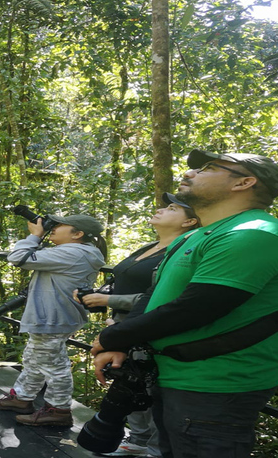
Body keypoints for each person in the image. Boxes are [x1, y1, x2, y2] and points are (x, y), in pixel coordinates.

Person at [91, 150, 278, 458]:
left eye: (208, 168)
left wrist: (112, 336)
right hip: (171, 373)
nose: (190, 173)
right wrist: (122, 342)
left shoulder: (255, 232)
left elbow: (198, 307)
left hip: (216, 384)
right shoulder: (194, 236)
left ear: (244, 183)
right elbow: (156, 294)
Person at [76, 193, 199, 458]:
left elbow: (165, 296)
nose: (161, 209)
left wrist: (109, 299)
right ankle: (139, 440)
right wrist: (108, 308)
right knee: (129, 385)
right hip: (123, 325)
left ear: (189, 222)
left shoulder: (183, 250)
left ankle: (155, 449)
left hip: (149, 328)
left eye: (172, 208)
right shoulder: (150, 246)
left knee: (151, 389)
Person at [0, 213, 107, 426]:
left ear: (78, 234)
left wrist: (35, 236)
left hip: (53, 316)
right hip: (52, 315)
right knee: (34, 358)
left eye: (60, 225)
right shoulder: (74, 251)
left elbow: (18, 258)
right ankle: (22, 398)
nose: (53, 227)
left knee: (54, 365)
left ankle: (59, 410)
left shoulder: (75, 252)